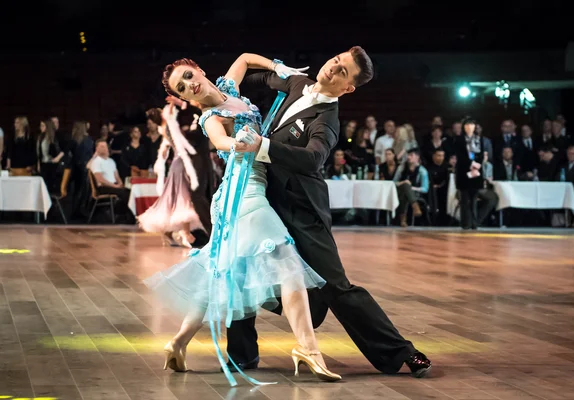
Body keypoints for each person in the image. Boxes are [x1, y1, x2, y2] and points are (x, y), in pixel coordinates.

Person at [230, 46, 432, 377]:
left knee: (336, 287)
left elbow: (312, 159)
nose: (333, 70)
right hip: (263, 198)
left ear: (348, 88)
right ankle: (241, 354)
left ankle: (402, 353)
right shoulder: (298, 84)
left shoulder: (328, 119)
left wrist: (261, 146)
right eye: (336, 61)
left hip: (302, 209)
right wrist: (226, 95)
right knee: (238, 268)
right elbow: (257, 76)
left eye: (342, 72)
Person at [144, 53, 341, 385]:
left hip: (250, 191)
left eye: (189, 76)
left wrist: (278, 67)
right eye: (182, 87)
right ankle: (309, 349)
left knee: (219, 272)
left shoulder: (227, 87)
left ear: (199, 71)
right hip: (243, 194)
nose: (190, 85)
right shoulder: (209, 118)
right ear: (184, 98)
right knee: (286, 261)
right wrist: (239, 142)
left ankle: (177, 342)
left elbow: (245, 59)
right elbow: (222, 141)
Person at [137, 107, 204, 248]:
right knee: (183, 197)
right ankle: (185, 233)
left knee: (174, 198)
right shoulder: (170, 126)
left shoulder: (165, 127)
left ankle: (169, 233)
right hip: (180, 163)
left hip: (177, 163)